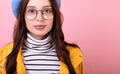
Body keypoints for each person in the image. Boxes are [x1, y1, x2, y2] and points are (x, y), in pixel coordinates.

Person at [0, 0, 84, 74]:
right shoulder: (3, 56)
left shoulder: (73, 55)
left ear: (55, 15)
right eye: (31, 11)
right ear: (23, 16)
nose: (40, 18)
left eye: (47, 10)